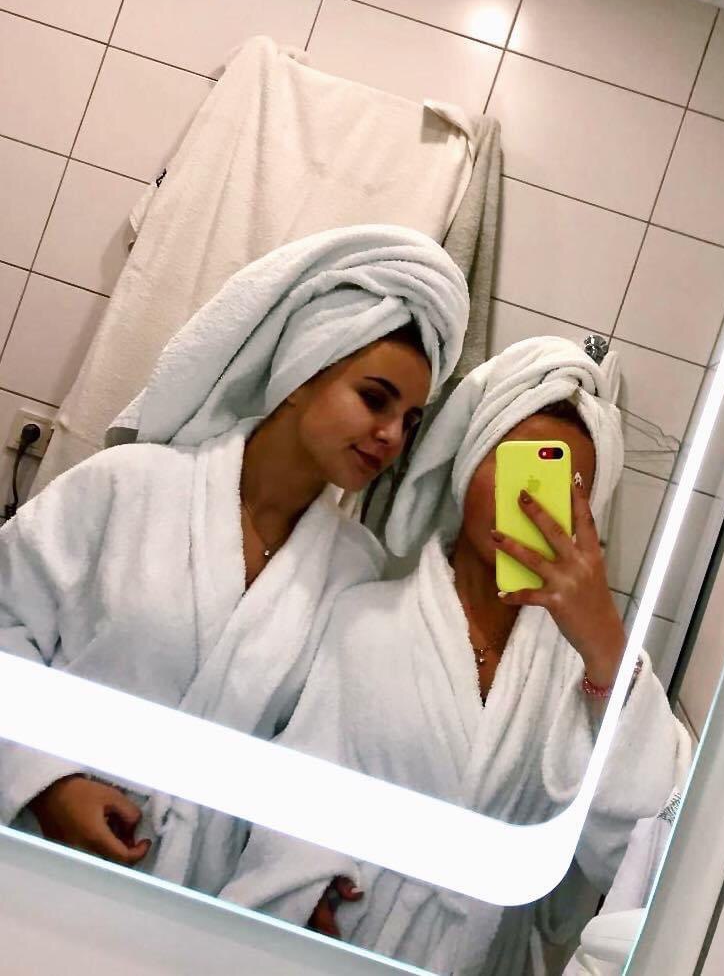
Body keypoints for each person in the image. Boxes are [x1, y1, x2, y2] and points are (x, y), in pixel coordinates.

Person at [0, 224, 469, 895]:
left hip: (192, 901)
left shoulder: (355, 575)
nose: (392, 435)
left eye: (411, 420)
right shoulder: (128, 485)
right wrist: (47, 779)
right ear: (303, 373)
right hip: (29, 858)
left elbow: (321, 758)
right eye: (374, 399)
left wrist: (302, 882)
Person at [220, 337, 692, 975]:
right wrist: (302, 886)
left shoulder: (591, 670)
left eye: (564, 483)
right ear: (468, 465)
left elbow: (645, 858)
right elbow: (295, 787)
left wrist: (607, 646)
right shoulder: (364, 619)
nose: (531, 500)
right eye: (516, 465)